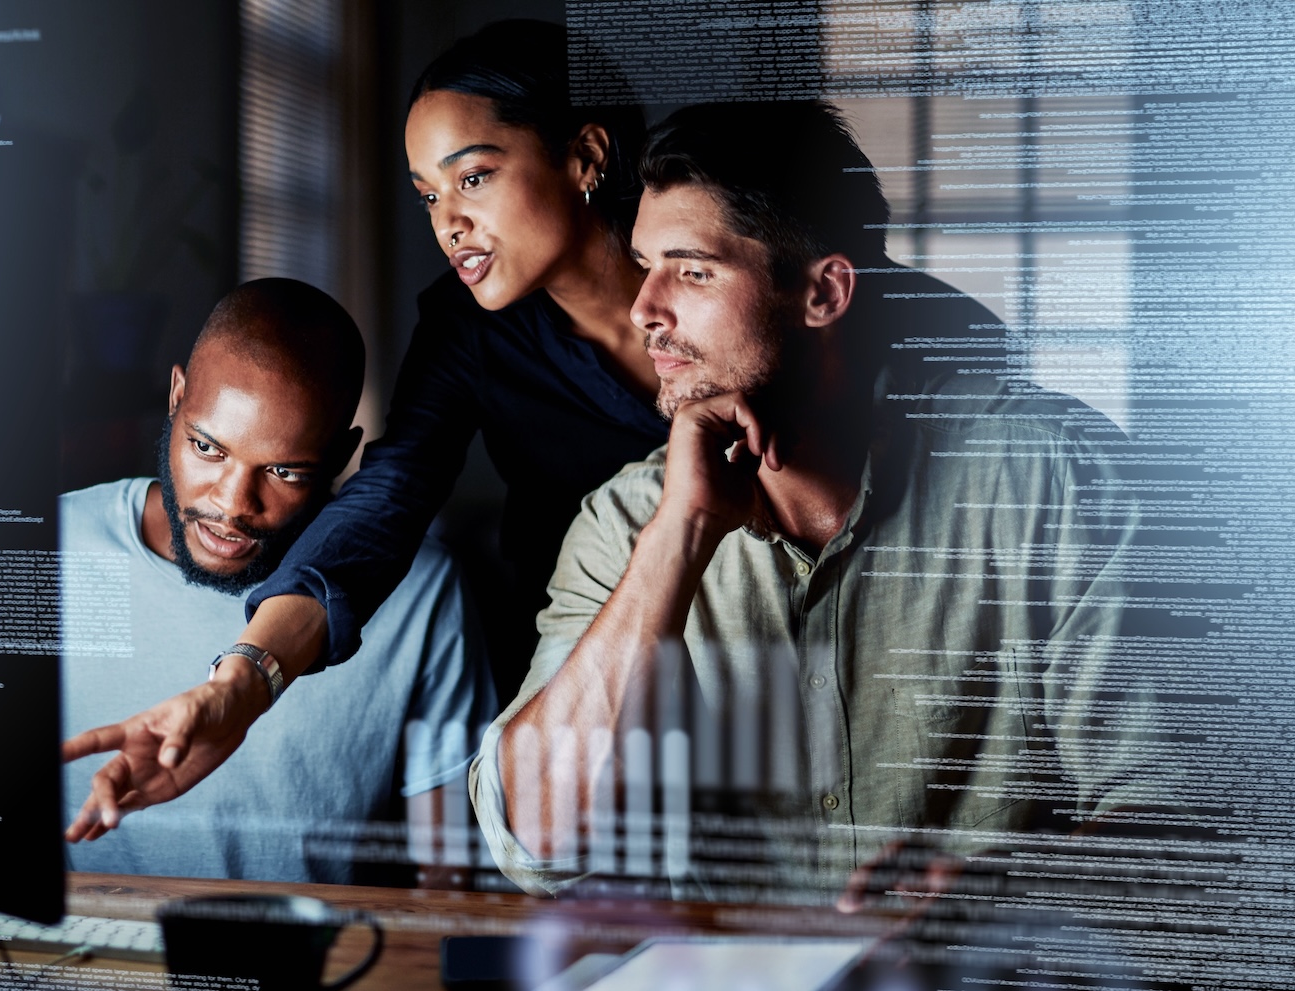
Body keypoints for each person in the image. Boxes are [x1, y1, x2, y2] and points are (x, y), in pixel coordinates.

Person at [468, 101, 1174, 904]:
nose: (644, 309)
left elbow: (1179, 813)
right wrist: (682, 534)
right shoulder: (628, 523)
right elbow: (536, 845)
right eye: (645, 264)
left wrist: (1000, 891)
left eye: (693, 270)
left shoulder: (1057, 480)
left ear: (823, 293)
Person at [63, 20, 672, 836]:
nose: (447, 222)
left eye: (475, 177)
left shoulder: (733, 284)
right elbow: (390, 494)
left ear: (586, 157)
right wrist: (240, 684)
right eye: (428, 195)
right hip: (595, 665)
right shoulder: (468, 331)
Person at [60, 278, 494, 884]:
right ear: (176, 395)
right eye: (207, 447)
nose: (234, 505)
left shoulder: (421, 589)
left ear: (343, 456)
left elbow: (446, 873)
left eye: (284, 471)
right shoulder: (51, 548)